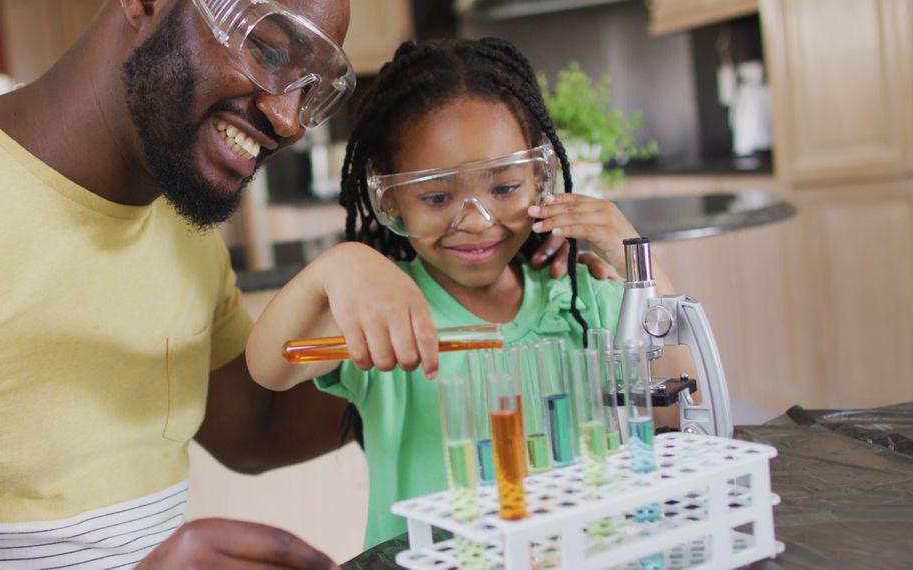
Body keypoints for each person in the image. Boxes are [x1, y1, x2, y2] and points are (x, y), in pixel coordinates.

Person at [0, 0, 367, 567]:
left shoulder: (178, 226)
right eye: (266, 49)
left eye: (311, 90)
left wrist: (445, 306)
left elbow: (256, 431)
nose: (287, 120)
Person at [246, 38, 692, 548]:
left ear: (540, 177)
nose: (478, 224)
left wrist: (640, 266)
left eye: (504, 189)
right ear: (389, 198)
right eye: (437, 197)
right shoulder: (384, 310)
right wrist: (337, 266)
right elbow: (269, 366)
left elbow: (676, 410)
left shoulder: (583, 298)